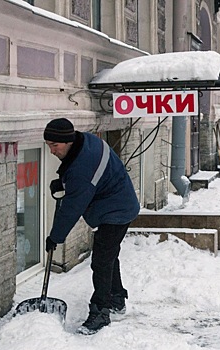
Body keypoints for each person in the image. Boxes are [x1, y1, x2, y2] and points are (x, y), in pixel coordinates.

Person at [43, 118, 140, 335]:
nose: (51, 151)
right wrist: (64, 182)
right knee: (109, 255)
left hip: (116, 211)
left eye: (54, 145)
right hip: (119, 202)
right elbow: (91, 176)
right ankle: (116, 299)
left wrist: (55, 237)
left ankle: (100, 312)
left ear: (68, 141)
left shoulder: (81, 169)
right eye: (48, 145)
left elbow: (72, 207)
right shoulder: (86, 140)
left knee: (101, 261)